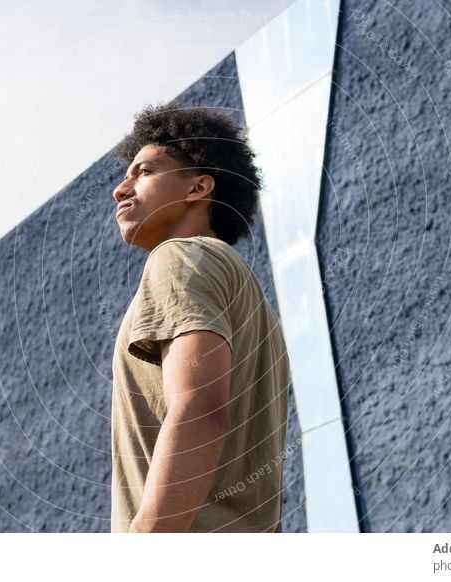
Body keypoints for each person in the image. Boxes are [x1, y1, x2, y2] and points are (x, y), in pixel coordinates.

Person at [110, 101, 290, 533]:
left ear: (197, 189)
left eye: (145, 171)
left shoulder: (180, 257)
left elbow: (198, 409)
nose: (121, 188)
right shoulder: (249, 300)